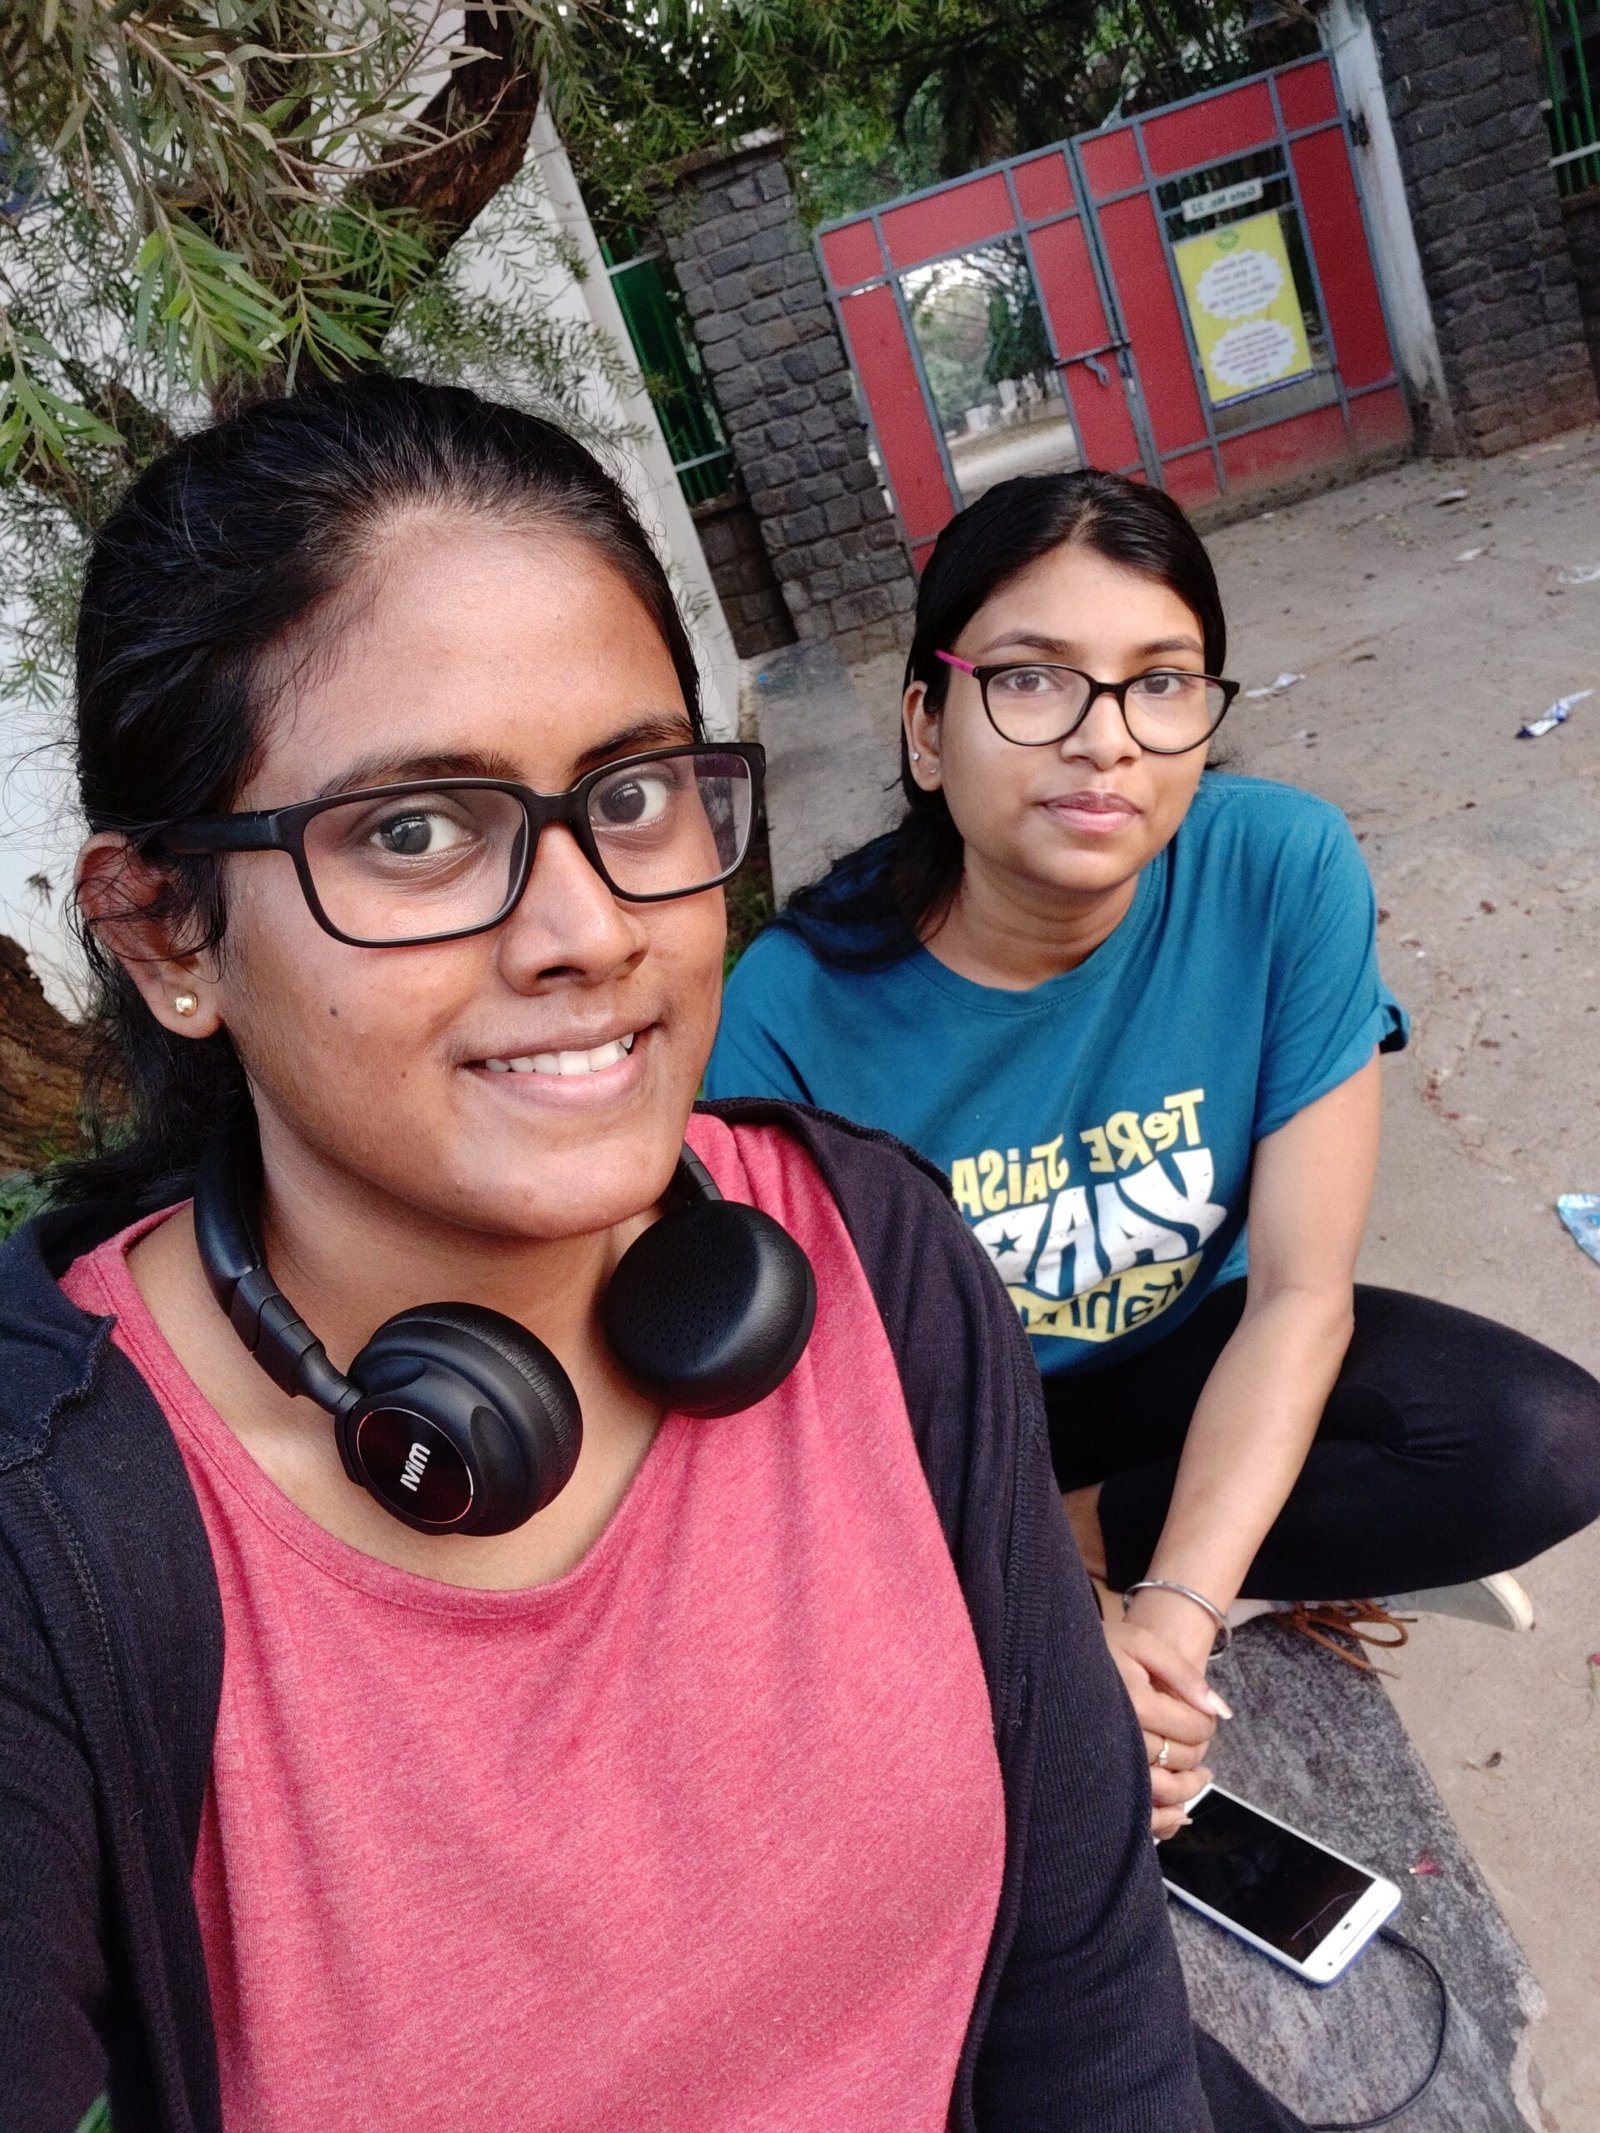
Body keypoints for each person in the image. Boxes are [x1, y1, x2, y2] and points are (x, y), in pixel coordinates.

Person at [0, 381, 1310, 2133]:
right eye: (414, 829)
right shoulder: (55, 1550)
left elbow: (1082, 1976)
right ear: (170, 932)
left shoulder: (868, 1253)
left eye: (631, 795)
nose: (589, 928)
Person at [707, 469, 1600, 1836]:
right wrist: (1063, 1631)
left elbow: (1300, 1293)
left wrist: (1172, 1625)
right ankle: (1050, 1575)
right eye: (1031, 679)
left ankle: (1096, 1536)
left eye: (1161, 683)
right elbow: (827, 1429)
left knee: (1541, 1445)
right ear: (928, 728)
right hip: (960, 1431)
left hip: (1198, 1355)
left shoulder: (1276, 868)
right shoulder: (787, 1010)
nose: (1104, 740)